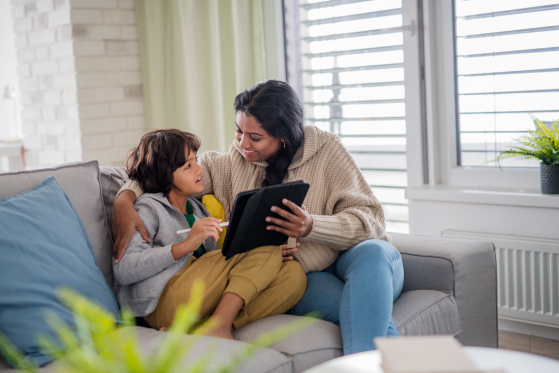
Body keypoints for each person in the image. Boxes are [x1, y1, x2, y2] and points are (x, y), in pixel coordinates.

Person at [113, 80, 404, 354]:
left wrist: (311, 226)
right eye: (238, 131)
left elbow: (372, 219)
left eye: (255, 137)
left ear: (284, 136)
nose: (243, 143)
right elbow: (164, 169)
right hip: (306, 272)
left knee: (374, 255)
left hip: (356, 254)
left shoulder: (326, 151)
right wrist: (124, 200)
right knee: (360, 309)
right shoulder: (230, 163)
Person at [114, 128, 307, 340]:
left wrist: (265, 260)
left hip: (197, 298)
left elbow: (217, 265)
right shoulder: (148, 209)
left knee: (293, 275)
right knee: (262, 248)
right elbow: (124, 269)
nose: (199, 169)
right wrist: (185, 246)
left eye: (196, 160)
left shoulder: (197, 210)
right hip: (163, 301)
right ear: (164, 175)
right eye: (188, 166)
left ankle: (205, 330)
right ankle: (220, 324)